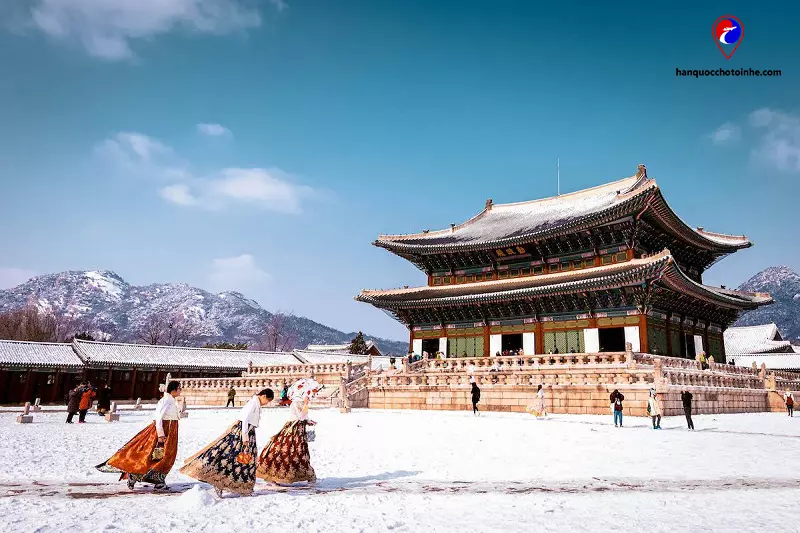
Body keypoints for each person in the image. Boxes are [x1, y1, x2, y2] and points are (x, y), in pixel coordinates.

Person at [181, 388, 274, 497]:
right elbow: (245, 420)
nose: (267, 403)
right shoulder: (253, 404)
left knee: (242, 460)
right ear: (263, 396)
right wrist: (245, 437)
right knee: (238, 458)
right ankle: (223, 482)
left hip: (248, 432)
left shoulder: (255, 403)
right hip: (244, 433)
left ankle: (240, 486)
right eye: (267, 400)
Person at [96, 381, 182, 490]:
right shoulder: (165, 401)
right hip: (165, 430)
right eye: (179, 388)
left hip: (171, 431)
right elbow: (158, 417)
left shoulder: (171, 400)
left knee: (166, 456)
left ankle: (157, 479)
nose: (180, 390)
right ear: (173, 390)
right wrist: (160, 434)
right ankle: (137, 475)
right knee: (156, 455)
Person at [257, 378, 320, 484]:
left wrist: (309, 421)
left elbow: (303, 417)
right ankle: (275, 474)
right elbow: (300, 417)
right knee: (287, 451)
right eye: (307, 394)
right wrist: (305, 405)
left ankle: (307, 474)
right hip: (292, 430)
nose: (309, 396)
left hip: (299, 429)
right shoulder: (295, 404)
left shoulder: (300, 403)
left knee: (300, 452)